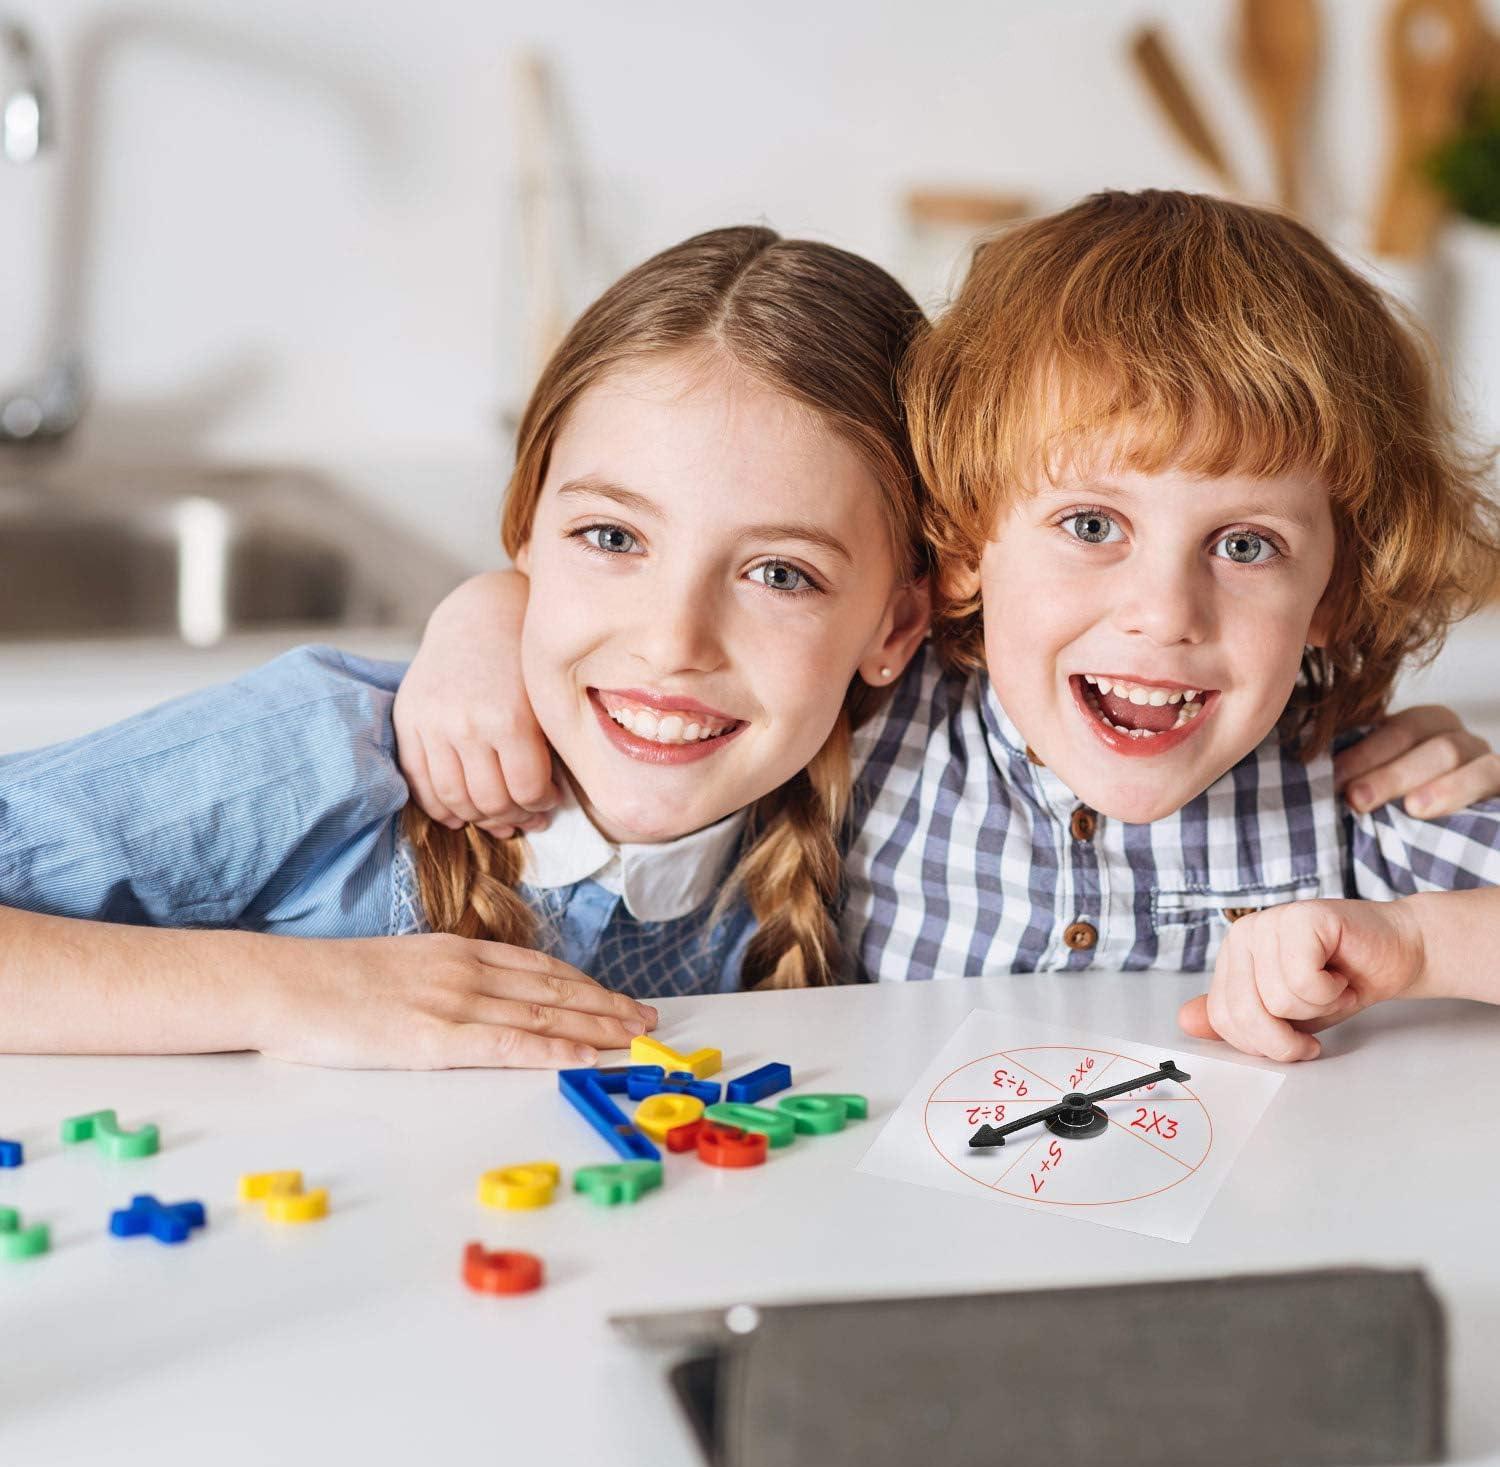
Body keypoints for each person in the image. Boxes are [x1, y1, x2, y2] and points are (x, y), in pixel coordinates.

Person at [392, 192, 1500, 1065]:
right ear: (963, 546)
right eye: (1090, 522)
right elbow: (705, 667)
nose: (1165, 613)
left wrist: (1412, 945)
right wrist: (489, 613)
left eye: (1247, 546)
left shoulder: (1349, 796)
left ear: (1337, 593)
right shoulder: (876, 720)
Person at [0, 226, 931, 1065]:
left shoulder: (889, 813)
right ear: (524, 532)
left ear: (894, 627)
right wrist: (288, 991)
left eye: (780, 575)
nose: (672, 643)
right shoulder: (327, 753)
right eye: (613, 538)